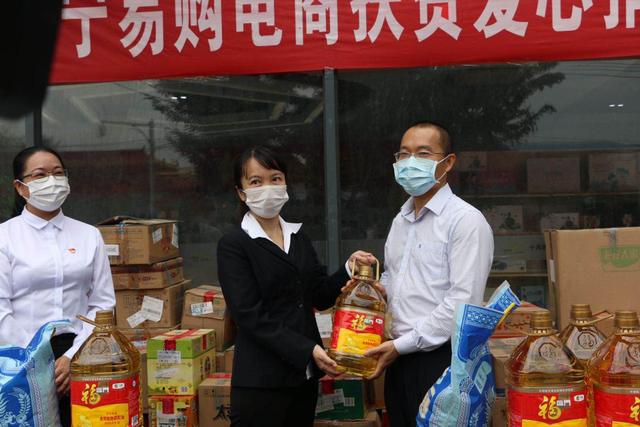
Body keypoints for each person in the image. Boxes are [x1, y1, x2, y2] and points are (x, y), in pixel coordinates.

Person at [217, 146, 376, 427]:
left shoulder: (297, 236)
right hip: (262, 383)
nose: (268, 187)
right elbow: (249, 316)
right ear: (241, 192)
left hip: (303, 379)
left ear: (285, 183)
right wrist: (308, 349)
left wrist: (348, 268)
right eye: (256, 181)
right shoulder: (234, 244)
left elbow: (320, 295)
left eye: (275, 178)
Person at [364, 122, 494, 427]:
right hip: (398, 360)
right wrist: (371, 290)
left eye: (423, 154)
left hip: (443, 361)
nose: (410, 163)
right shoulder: (401, 220)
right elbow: (394, 279)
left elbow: (461, 304)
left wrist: (401, 345)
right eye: (404, 155)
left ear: (448, 162)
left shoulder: (465, 221)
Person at [0, 147, 116, 427]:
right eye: (40, 175)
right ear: (20, 187)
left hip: (80, 352)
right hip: (18, 355)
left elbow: (102, 304)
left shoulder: (89, 235)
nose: (51, 181)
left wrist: (73, 357)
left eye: (58, 173)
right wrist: (36, 363)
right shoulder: (5, 237)